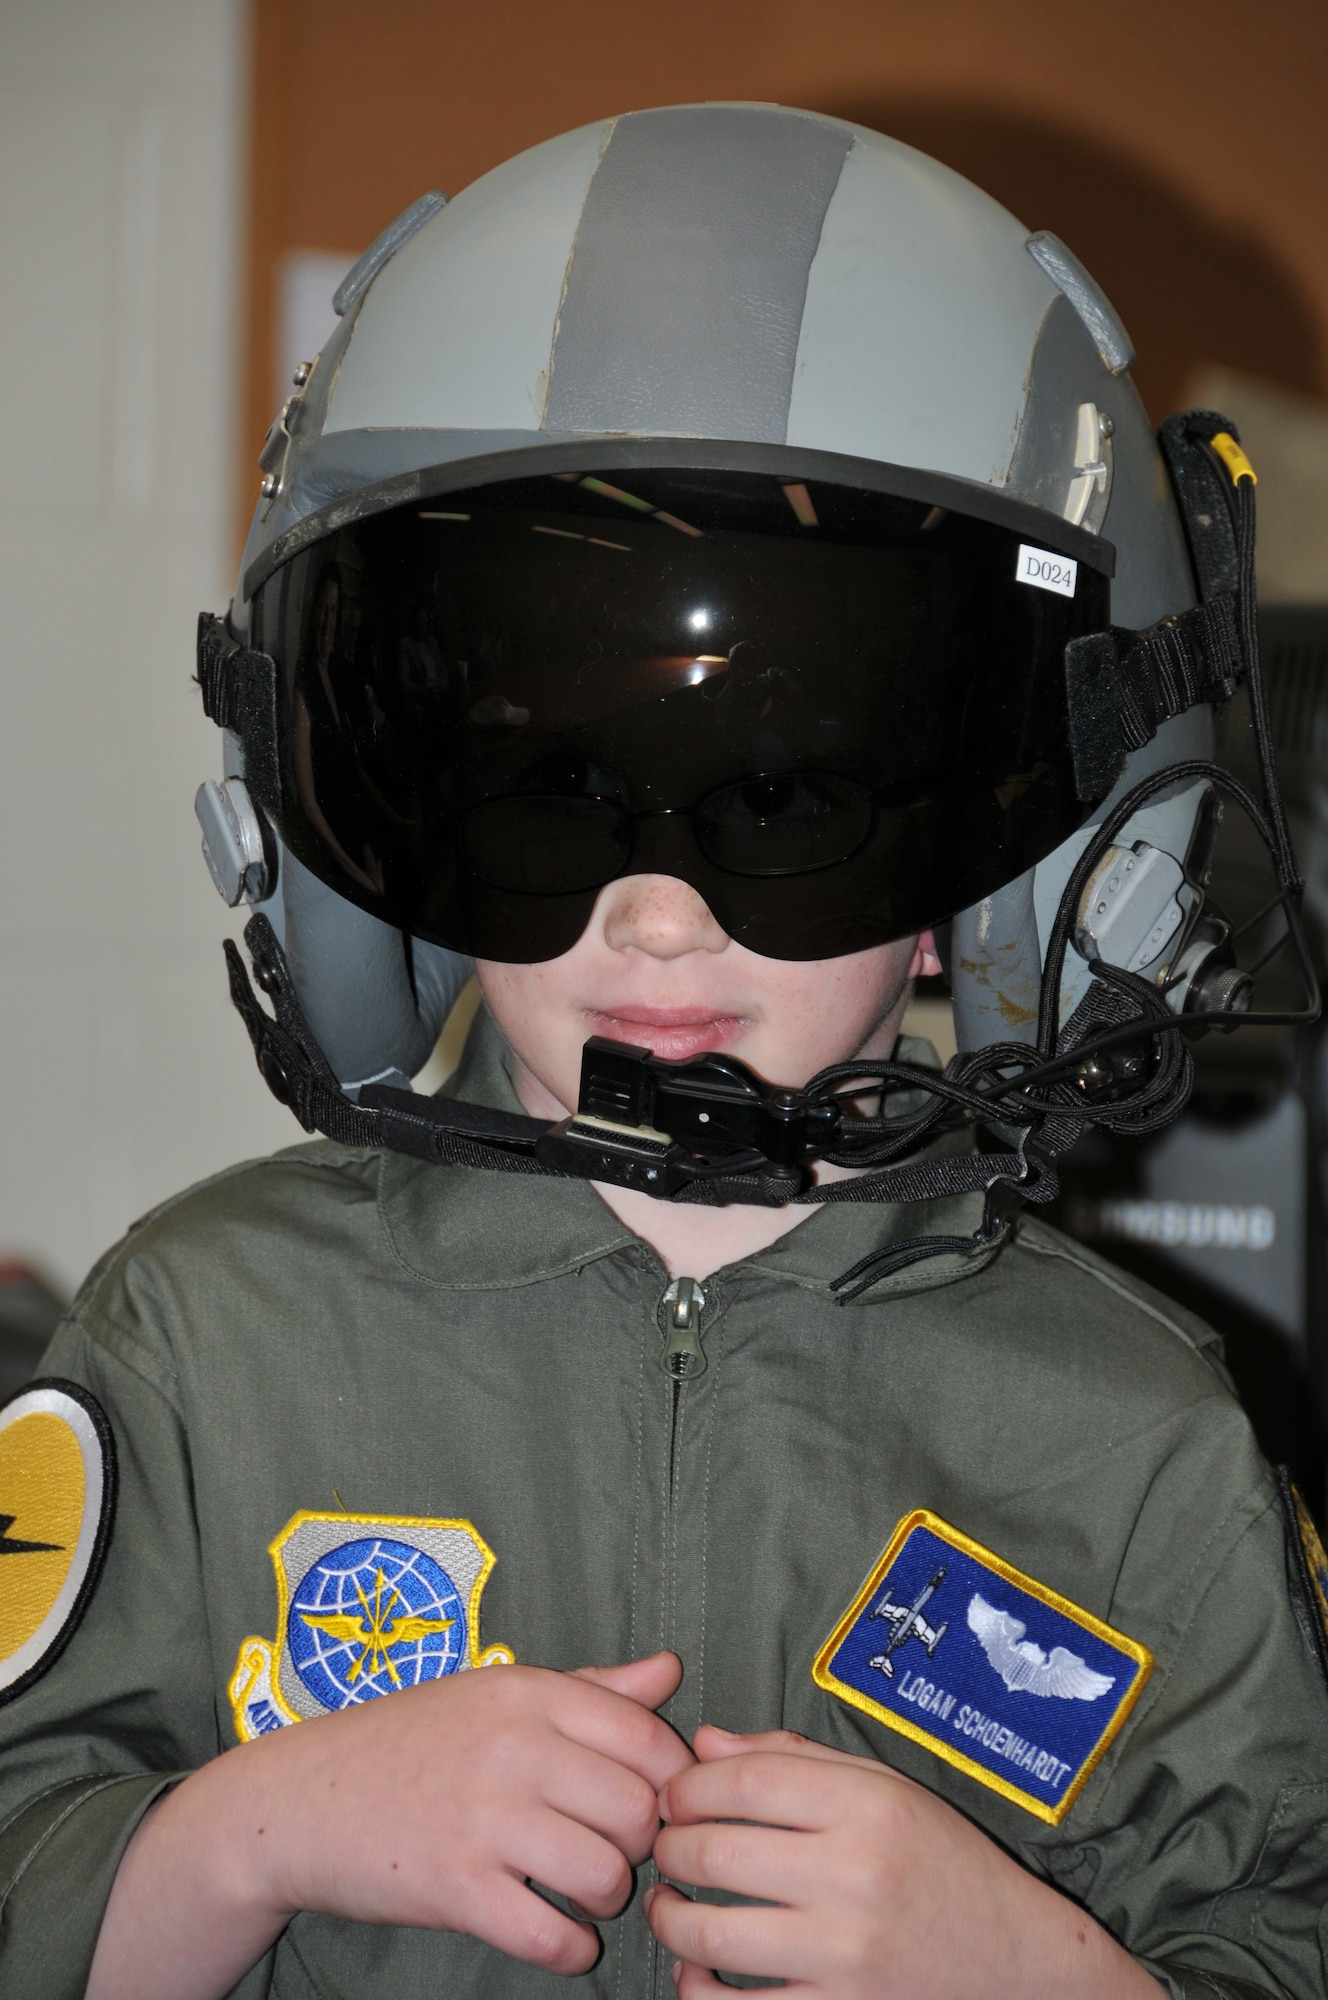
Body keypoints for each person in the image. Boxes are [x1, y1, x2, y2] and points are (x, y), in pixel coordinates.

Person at [1, 104, 1324, 2000]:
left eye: (788, 797)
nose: (655, 913)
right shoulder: (207, 1345)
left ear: (1016, 864)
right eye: (550, 794)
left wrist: (1023, 1966)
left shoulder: (1139, 1455)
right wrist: (252, 1831)